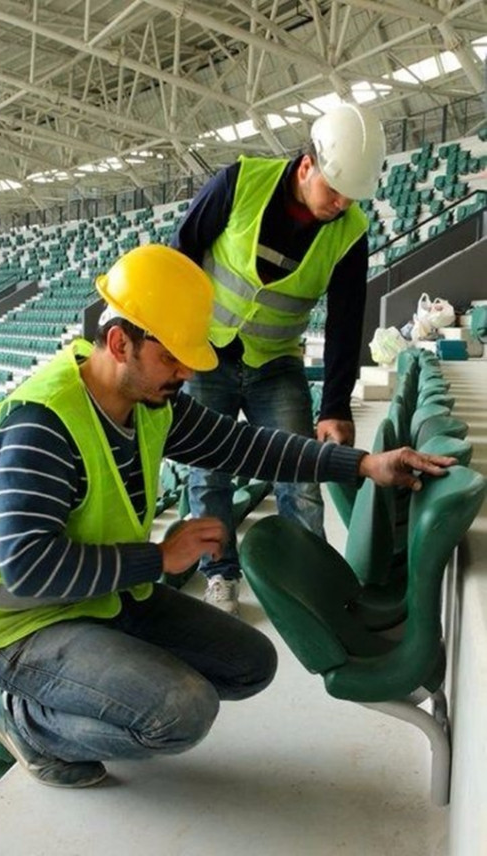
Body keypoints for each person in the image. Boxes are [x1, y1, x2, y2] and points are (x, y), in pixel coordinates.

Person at [0, 244, 453, 790]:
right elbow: (29, 570)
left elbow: (244, 447)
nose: (187, 370)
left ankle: (93, 685)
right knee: (179, 713)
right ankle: (25, 722)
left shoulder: (149, 402)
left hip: (102, 599)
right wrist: (159, 558)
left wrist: (362, 464)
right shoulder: (42, 425)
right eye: (172, 357)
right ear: (121, 343)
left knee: (250, 664)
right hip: (23, 627)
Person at [171, 101, 386, 615]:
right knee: (209, 476)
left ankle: (306, 579)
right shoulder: (237, 183)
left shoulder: (350, 231)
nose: (339, 204)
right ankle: (220, 574)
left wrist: (334, 406)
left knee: (301, 476)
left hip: (276, 363)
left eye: (350, 196)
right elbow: (182, 254)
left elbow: (344, 320)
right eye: (332, 190)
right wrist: (174, 347)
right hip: (208, 355)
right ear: (306, 165)